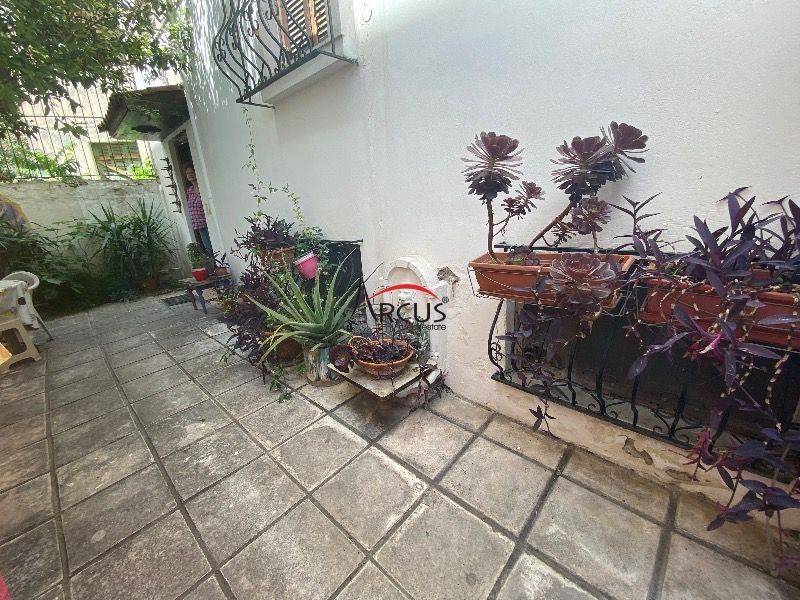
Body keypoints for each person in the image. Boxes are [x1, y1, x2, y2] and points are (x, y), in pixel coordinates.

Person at [184, 163, 212, 255]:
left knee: (214, 246)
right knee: (208, 248)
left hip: (208, 222)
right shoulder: (189, 190)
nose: (190, 175)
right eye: (188, 173)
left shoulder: (202, 187)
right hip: (199, 225)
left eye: (192, 172)